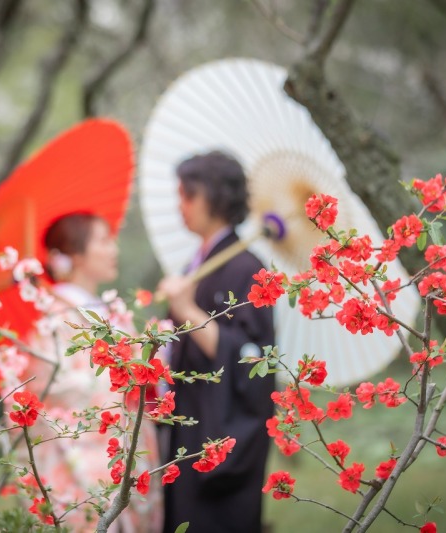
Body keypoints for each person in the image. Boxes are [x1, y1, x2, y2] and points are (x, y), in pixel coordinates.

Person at [19, 212, 163, 532]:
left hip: (122, 449)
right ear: (75, 254)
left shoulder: (104, 311)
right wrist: (124, 373)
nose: (114, 249)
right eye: (103, 241)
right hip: (84, 460)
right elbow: (54, 389)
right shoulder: (54, 318)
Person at [157, 151, 276, 532]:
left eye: (188, 196)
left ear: (215, 197)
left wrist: (187, 309)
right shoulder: (195, 265)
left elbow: (250, 359)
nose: (181, 206)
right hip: (189, 422)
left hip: (221, 430)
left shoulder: (247, 267)